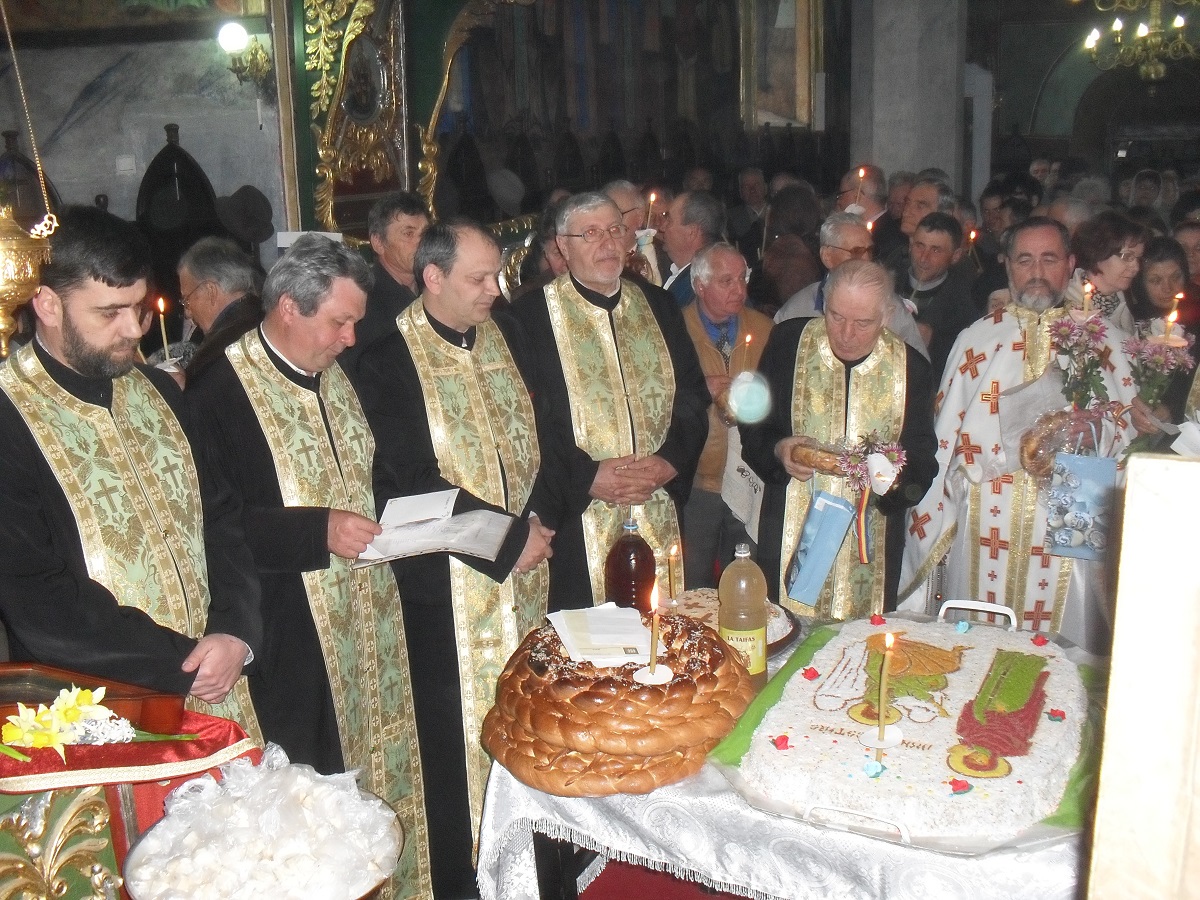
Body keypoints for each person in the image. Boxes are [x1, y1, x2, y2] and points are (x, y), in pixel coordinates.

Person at [186, 234, 431, 896]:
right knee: (315, 802)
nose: (350, 340)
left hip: (366, 610)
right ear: (290, 307)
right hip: (291, 632)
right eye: (340, 322)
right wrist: (315, 528)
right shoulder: (218, 389)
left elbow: (367, 465)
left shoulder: (333, 368)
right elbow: (215, 523)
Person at [0, 205, 261, 734]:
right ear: (48, 304)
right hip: (97, 707)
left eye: (138, 308)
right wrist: (182, 661)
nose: (131, 329)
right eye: (109, 312)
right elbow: (40, 597)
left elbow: (222, 517)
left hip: (216, 681)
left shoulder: (161, 391)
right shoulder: (8, 418)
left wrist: (236, 630)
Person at [357, 220, 555, 897]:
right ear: (431, 276)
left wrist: (544, 517)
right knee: (455, 739)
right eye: (478, 279)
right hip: (445, 586)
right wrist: (505, 537)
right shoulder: (385, 359)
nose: (495, 292)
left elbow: (546, 431)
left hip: (530, 567)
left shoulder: (509, 335)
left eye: (497, 275)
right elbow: (404, 478)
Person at [900, 218, 1139, 655]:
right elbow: (946, 437)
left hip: (1074, 507)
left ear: (1069, 265)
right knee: (976, 648)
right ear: (1007, 265)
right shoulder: (977, 339)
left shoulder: (1108, 343)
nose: (1037, 271)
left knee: (1066, 650)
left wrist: (1097, 430)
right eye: (1024, 259)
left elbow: (1131, 436)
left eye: (1049, 259)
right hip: (991, 509)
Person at [511, 192, 710, 610]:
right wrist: (586, 477)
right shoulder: (527, 318)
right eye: (590, 233)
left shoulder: (658, 304)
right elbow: (526, 422)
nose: (607, 243)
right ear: (562, 247)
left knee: (661, 637)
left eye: (615, 230)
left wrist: (670, 460)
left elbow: (692, 394)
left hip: (657, 504)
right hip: (577, 514)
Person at [741, 259, 938, 619]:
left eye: (862, 323)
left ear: (887, 316)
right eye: (835, 316)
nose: (846, 333)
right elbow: (753, 426)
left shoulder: (912, 368)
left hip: (870, 544)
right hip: (789, 526)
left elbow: (923, 460)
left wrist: (891, 481)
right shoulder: (788, 344)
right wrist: (778, 450)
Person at [681, 243, 772, 587]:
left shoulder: (764, 330)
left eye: (742, 278)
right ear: (700, 286)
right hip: (697, 480)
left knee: (745, 580)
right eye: (726, 281)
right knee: (692, 582)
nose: (739, 290)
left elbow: (780, 397)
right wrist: (700, 390)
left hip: (749, 474)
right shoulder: (676, 330)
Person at [775, 211, 927, 359]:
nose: (866, 259)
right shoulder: (796, 310)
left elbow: (918, 371)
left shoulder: (892, 308)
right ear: (827, 256)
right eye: (857, 252)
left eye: (869, 251)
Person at [341, 190, 429, 379]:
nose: (420, 243)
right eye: (408, 233)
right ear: (378, 243)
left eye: (424, 234)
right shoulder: (363, 303)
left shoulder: (435, 290)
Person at [897, 211, 978, 381]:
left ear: (955, 256)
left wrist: (933, 341)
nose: (924, 258)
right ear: (910, 244)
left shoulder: (963, 306)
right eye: (920, 246)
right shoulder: (888, 284)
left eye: (936, 250)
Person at [177, 236, 263, 379]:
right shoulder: (264, 318)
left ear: (211, 291)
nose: (188, 313)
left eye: (187, 300)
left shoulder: (221, 352)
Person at [1072, 209, 1147, 333]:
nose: (1136, 267)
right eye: (1127, 257)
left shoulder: (1123, 302)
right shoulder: (1067, 304)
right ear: (1098, 252)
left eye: (1138, 258)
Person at [662, 190, 726, 306]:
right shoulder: (667, 269)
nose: (662, 227)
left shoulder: (700, 287)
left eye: (669, 221)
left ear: (692, 232)